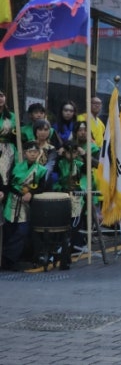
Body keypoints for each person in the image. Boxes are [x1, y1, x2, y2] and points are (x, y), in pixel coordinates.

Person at [0, 141, 48, 270]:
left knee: (22, 231)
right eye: (30, 152)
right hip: (12, 201)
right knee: (8, 230)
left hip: (27, 204)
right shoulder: (16, 167)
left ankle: (8, 258)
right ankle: (8, 260)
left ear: (38, 153)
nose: (32, 154)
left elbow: (42, 187)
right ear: (25, 153)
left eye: (35, 152)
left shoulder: (41, 170)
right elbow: (9, 184)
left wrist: (31, 193)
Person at [0, 90, 17, 189]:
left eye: (1, 95)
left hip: (7, 148)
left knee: (4, 176)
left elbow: (17, 132)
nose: (0, 98)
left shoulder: (12, 116)